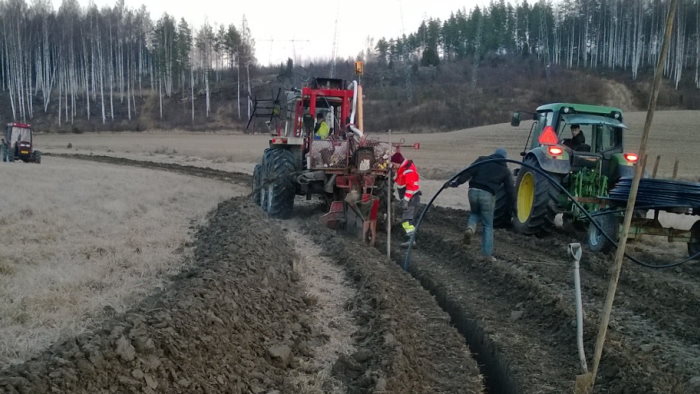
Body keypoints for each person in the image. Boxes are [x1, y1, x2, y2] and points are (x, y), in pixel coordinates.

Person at [449, 148, 515, 261]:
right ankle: (487, 254)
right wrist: (514, 208)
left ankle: (470, 228)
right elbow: (510, 191)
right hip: (488, 195)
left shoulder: (482, 160)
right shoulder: (505, 170)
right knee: (488, 225)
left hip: (473, 191)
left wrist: (456, 183)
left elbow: (468, 172)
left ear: (493, 154)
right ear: (504, 158)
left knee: (474, 213)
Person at [391, 151, 421, 246]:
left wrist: (405, 200)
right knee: (407, 220)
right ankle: (411, 238)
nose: (393, 166)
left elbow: (411, 187)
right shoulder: (403, 168)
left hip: (412, 199)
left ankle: (411, 240)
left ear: (398, 162)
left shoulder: (408, 170)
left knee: (406, 221)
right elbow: (400, 179)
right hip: (411, 198)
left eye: (393, 164)